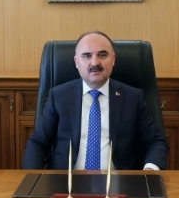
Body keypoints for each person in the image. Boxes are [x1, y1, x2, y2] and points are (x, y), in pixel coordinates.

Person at [22, 31, 168, 170]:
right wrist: (32, 177)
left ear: (113, 59)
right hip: (66, 181)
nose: (95, 62)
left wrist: (150, 170)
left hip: (120, 181)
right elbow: (38, 142)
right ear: (76, 62)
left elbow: (155, 142)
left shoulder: (133, 98)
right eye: (87, 56)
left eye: (102, 55)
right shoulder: (59, 96)